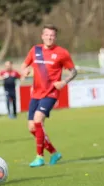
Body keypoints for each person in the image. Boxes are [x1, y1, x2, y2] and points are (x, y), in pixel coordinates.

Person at [21, 25, 77, 167]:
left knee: (38, 120)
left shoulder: (61, 53)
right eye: (47, 35)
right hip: (36, 94)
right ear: (42, 36)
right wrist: (25, 70)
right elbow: (24, 65)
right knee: (32, 128)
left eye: (52, 35)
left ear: (55, 37)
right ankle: (54, 153)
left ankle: (39, 157)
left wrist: (64, 82)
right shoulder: (35, 50)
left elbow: (73, 71)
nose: (49, 37)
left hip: (51, 93)